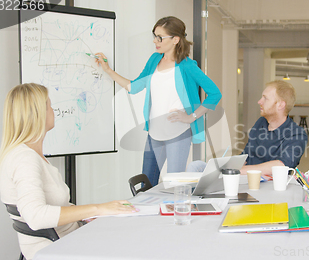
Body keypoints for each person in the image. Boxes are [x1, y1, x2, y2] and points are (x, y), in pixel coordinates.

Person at [0, 83, 138, 260]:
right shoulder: (25, 159)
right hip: (57, 247)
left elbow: (54, 205)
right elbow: (36, 216)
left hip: (69, 238)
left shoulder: (30, 155)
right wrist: (99, 209)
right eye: (49, 106)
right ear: (37, 114)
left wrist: (92, 214)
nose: (53, 111)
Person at [95, 16, 222, 186]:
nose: (155, 41)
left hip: (178, 133)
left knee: (175, 185)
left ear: (175, 39)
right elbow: (134, 87)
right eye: (154, 36)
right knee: (147, 184)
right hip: (154, 133)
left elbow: (214, 93)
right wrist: (108, 70)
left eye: (160, 37)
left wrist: (192, 116)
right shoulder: (154, 60)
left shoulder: (187, 66)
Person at [187, 80, 307, 176]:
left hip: (263, 182)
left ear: (281, 105)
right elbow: (246, 155)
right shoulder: (261, 123)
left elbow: (281, 166)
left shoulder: (297, 134)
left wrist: (238, 171)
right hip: (242, 176)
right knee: (196, 166)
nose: (259, 101)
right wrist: (224, 165)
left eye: (265, 98)